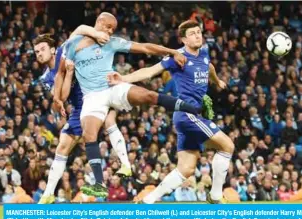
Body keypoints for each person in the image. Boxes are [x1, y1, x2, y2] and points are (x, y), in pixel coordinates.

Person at [59, 12, 203, 197]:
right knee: (89, 135)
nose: (111, 32)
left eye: (113, 29)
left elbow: (144, 48)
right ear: (99, 23)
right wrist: (58, 97)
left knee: (148, 95)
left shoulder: (112, 43)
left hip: (111, 86)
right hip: (91, 97)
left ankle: (194, 109)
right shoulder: (74, 45)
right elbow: (63, 65)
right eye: (108, 27)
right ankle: (100, 184)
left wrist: (172, 51)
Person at [108, 20, 235, 204]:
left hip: (190, 117)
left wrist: (217, 81)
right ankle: (215, 196)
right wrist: (124, 78)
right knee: (227, 146)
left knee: (186, 169)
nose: (198, 35)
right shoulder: (178, 57)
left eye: (199, 32)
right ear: (183, 39)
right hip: (187, 114)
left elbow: (209, 67)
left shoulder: (204, 55)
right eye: (192, 33)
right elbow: (150, 71)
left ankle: (148, 200)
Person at [34, 26, 131, 203]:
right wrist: (61, 99)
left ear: (53, 49)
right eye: (36, 51)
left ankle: (126, 165)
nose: (39, 54)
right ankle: (48, 194)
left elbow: (79, 28)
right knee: (62, 146)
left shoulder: (65, 50)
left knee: (110, 121)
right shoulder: (46, 77)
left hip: (96, 92)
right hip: (79, 107)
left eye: (42, 49)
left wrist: (95, 33)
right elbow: (60, 99)